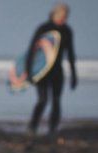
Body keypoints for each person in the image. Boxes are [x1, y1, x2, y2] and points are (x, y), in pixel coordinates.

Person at [26, 3, 77, 135]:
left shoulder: (67, 31)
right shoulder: (43, 29)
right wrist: (29, 71)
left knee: (56, 101)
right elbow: (32, 50)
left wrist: (74, 75)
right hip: (42, 71)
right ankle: (32, 127)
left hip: (57, 72)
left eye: (66, 17)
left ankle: (52, 130)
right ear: (55, 14)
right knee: (43, 100)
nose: (64, 20)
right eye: (62, 16)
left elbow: (70, 54)